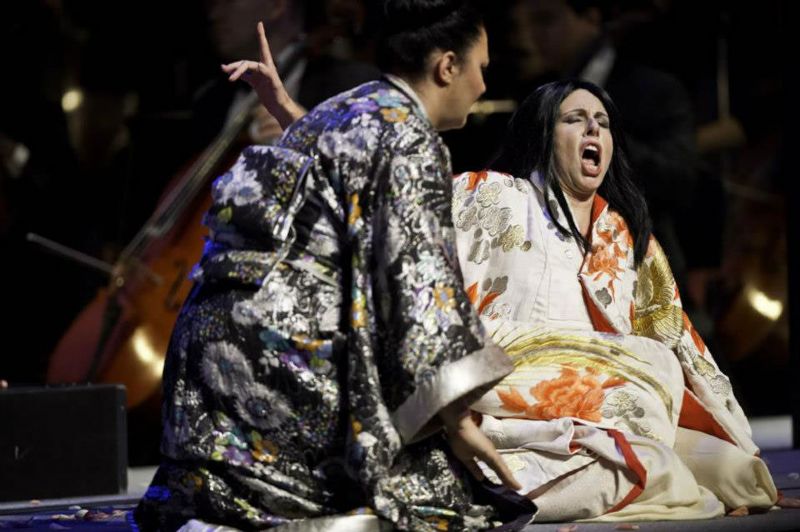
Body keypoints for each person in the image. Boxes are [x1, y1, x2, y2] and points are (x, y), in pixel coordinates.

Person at [134, 2, 533, 531]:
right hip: (277, 359)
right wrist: (457, 418)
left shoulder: (345, 107)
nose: (484, 84)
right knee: (438, 488)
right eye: (481, 67)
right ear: (447, 66)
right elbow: (421, 285)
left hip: (200, 358)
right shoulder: (412, 138)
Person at [451, 79, 781, 521]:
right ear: (543, 135)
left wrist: (739, 436)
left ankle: (631, 458)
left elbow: (680, 343)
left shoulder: (627, 238)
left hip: (615, 399)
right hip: (510, 386)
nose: (593, 129)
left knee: (740, 475)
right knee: (657, 442)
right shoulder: (491, 194)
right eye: (574, 119)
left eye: (602, 123)